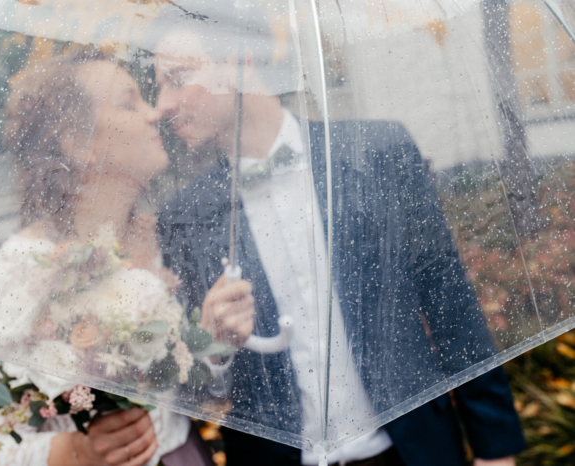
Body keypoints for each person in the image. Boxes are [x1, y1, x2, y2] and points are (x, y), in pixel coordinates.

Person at [153, 3, 526, 466]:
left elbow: (450, 303)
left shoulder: (379, 154)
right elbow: (192, 391)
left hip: (412, 451)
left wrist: (497, 448)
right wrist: (213, 349)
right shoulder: (182, 216)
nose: (161, 106)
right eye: (157, 86)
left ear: (240, 62)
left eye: (177, 77)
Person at [0, 48, 249, 466]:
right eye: (129, 102)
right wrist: (75, 451)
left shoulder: (170, 238)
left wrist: (212, 344)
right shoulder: (21, 274)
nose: (154, 113)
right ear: (79, 143)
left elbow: (192, 399)